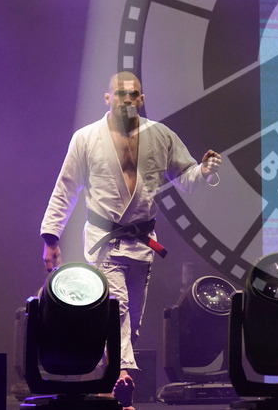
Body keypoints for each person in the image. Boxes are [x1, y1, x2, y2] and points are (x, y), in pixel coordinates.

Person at [40, 71, 221, 409]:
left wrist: (205, 172)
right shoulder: (86, 138)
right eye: (119, 93)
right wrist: (51, 237)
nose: (126, 99)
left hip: (143, 242)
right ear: (107, 98)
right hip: (103, 241)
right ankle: (122, 380)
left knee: (132, 321)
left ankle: (107, 376)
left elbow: (186, 176)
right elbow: (65, 189)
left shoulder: (161, 136)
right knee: (116, 309)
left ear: (142, 99)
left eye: (133, 94)